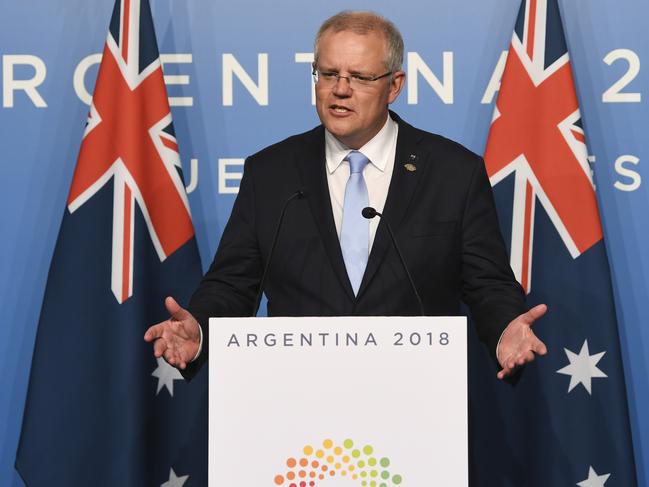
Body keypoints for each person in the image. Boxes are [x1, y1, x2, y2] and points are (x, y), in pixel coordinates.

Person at [144, 10, 547, 380]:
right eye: (328, 73)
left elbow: (487, 284)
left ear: (394, 86)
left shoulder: (452, 172)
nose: (340, 90)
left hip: (417, 400)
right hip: (298, 403)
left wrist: (504, 329)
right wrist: (200, 326)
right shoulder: (271, 173)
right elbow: (233, 284)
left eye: (360, 77)